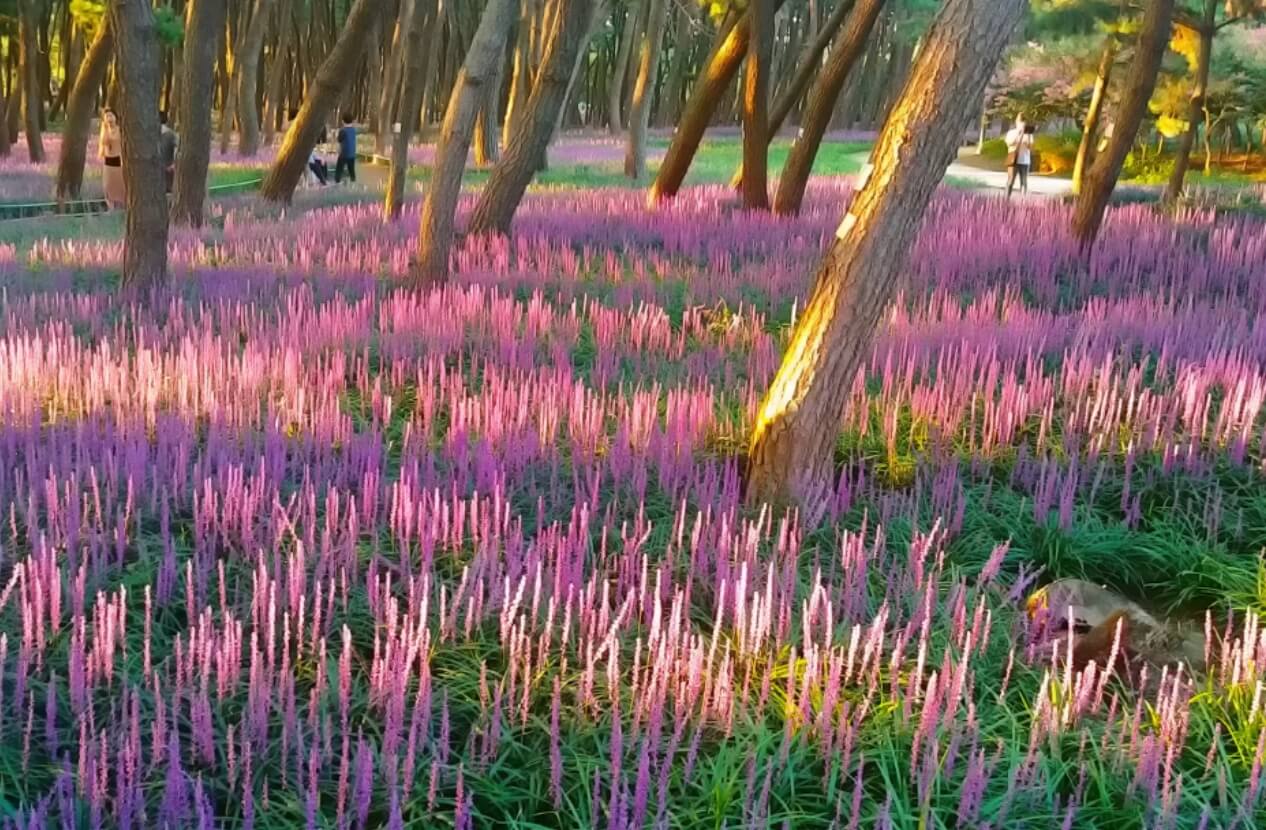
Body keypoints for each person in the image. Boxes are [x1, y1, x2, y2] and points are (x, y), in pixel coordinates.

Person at [99, 108, 125, 210]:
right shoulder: (104, 131)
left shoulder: (120, 129)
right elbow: (104, 142)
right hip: (108, 162)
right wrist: (105, 128)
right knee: (108, 185)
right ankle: (111, 207)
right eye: (107, 116)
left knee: (120, 185)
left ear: (115, 117)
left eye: (111, 115)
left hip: (119, 161)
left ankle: (123, 205)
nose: (109, 118)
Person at [1004, 114, 1034, 198]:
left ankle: (1023, 200)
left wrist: (1027, 135)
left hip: (1025, 160)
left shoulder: (1029, 134)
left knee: (1024, 182)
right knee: (1011, 180)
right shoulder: (1012, 132)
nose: (1021, 124)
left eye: (1023, 122)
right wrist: (1019, 133)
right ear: (1016, 122)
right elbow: (1010, 143)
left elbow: (1030, 147)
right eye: (1020, 121)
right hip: (1013, 159)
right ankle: (1006, 199)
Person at [159, 111, 178, 193]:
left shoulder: (170, 135)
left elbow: (177, 149)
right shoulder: (171, 134)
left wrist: (173, 164)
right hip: (165, 168)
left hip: (166, 169)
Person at [335, 112, 357, 184]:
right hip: (352, 154)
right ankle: (353, 182)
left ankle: (337, 182)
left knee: (339, 169)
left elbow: (339, 140)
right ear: (352, 121)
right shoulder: (353, 130)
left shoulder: (342, 130)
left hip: (344, 154)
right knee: (351, 170)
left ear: (343, 121)